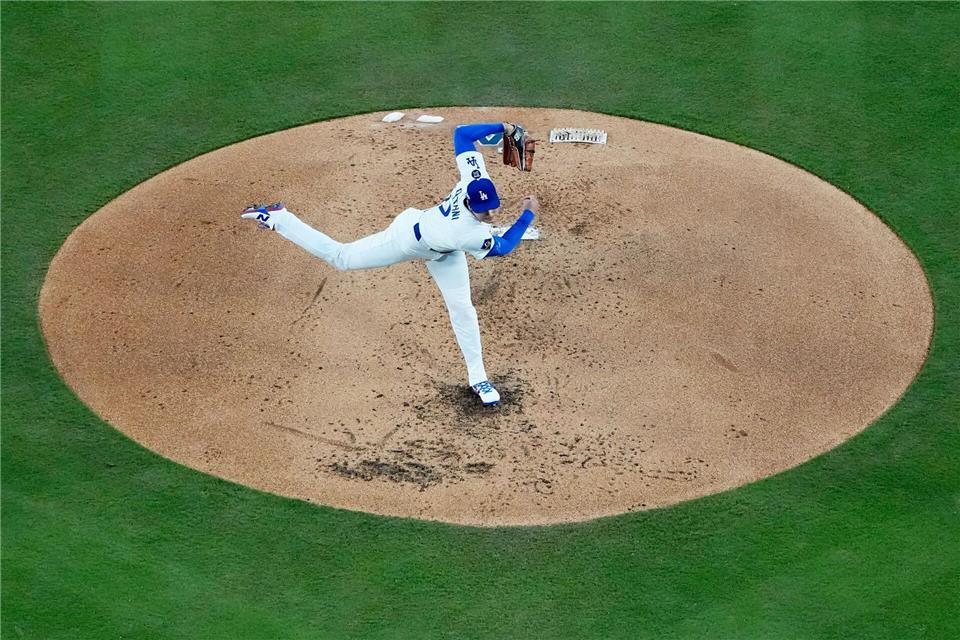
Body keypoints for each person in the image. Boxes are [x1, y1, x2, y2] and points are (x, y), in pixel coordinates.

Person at [242, 122, 538, 406]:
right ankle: (279, 218)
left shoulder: (474, 179)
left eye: (491, 209)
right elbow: (504, 247)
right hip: (407, 238)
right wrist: (528, 215)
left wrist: (503, 127)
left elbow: (463, 135)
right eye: (484, 212)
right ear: (472, 205)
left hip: (444, 251)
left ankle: (479, 379)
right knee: (342, 258)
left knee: (463, 308)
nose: (489, 215)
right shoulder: (468, 233)